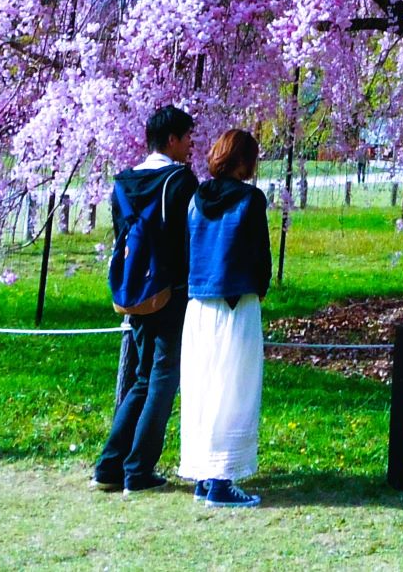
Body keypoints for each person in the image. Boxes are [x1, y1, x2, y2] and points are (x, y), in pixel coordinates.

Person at [94, 105, 199, 495]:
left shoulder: (124, 181)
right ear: (171, 139)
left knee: (141, 377)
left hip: (135, 290)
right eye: (187, 136)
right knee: (163, 378)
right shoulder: (179, 180)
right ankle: (138, 470)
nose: (191, 145)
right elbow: (186, 237)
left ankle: (109, 467)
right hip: (171, 291)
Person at [180, 128, 272, 510]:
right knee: (234, 387)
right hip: (237, 301)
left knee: (202, 388)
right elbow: (259, 254)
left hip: (200, 302)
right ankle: (222, 477)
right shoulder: (251, 200)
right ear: (245, 161)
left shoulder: (196, 199)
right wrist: (260, 286)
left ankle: (204, 472)